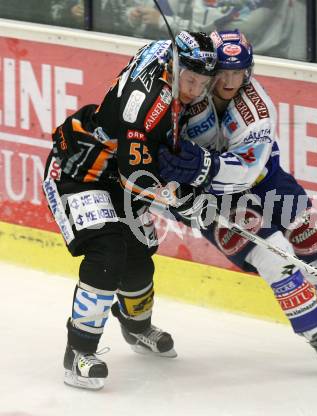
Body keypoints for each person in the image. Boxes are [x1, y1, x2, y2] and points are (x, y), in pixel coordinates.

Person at [158, 29, 317, 371]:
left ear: (248, 72)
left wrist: (200, 165)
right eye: (222, 71)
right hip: (211, 198)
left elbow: (243, 171)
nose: (228, 80)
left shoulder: (257, 110)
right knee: (275, 257)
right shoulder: (189, 89)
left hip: (262, 180)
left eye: (237, 72)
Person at [42, 31, 217, 390]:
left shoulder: (164, 54)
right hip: (80, 170)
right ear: (174, 66)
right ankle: (78, 352)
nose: (196, 89)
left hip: (118, 170)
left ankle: (136, 327)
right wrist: (182, 199)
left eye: (203, 82)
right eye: (190, 79)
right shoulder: (146, 107)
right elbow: (135, 178)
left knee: (139, 260)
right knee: (108, 254)